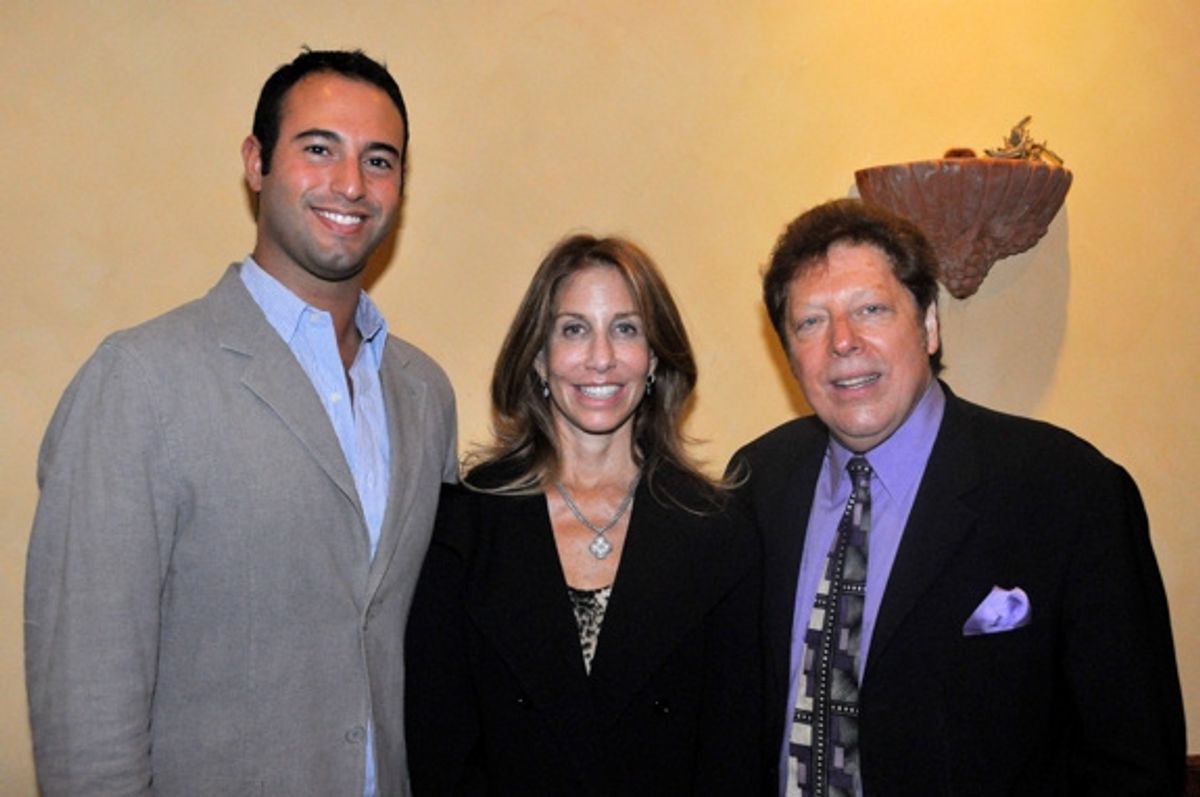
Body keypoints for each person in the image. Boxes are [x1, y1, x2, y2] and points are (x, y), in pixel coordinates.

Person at [24, 49, 457, 796]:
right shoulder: (139, 380)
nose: (351, 184)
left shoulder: (425, 393)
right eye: (319, 148)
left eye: (379, 160)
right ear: (256, 162)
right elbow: (85, 705)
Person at [729, 198, 1185, 796]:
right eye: (811, 321)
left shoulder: (1068, 492)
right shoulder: (755, 484)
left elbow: (1133, 761)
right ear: (789, 355)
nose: (843, 341)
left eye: (870, 309)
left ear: (929, 325)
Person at [405, 234, 761, 795]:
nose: (601, 357)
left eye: (626, 329)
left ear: (654, 359)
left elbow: (736, 755)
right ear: (539, 358)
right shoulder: (466, 528)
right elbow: (439, 750)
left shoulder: (719, 531)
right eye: (574, 329)